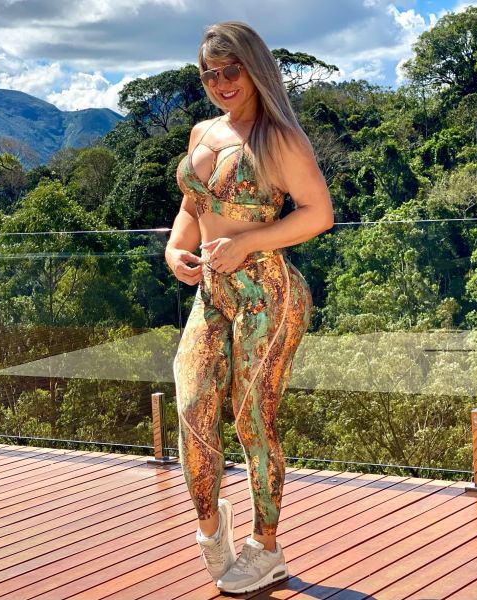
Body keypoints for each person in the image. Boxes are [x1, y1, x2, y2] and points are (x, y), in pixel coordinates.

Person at [165, 21, 334, 594]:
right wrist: (175, 249)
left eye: (231, 69)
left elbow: (318, 213)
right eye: (209, 74)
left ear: (254, 67)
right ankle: (211, 525)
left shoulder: (279, 138)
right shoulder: (203, 131)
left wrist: (247, 243)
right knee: (191, 404)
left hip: (270, 295)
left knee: (251, 418)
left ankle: (266, 547)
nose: (221, 82)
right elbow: (192, 206)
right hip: (213, 291)